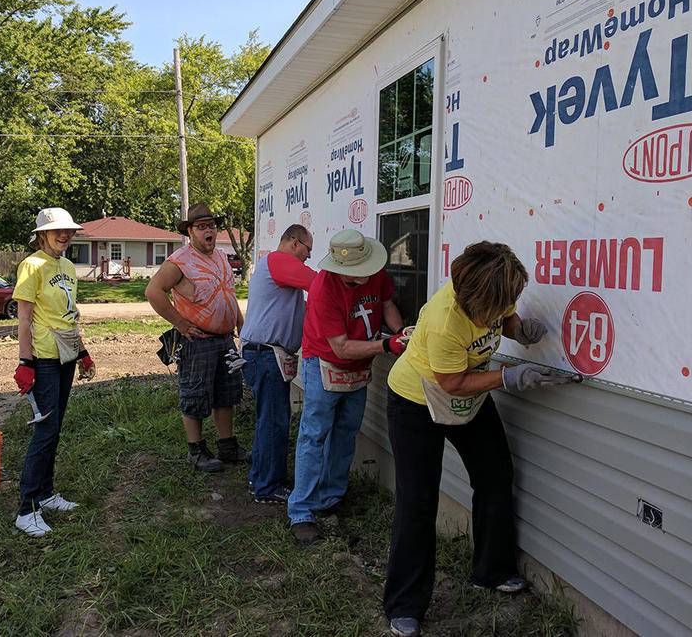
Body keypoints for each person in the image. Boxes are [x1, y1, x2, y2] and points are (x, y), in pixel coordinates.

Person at [382, 241, 571, 637]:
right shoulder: (443, 320)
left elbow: (505, 316)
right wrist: (507, 376)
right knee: (418, 500)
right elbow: (452, 382)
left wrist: (520, 329)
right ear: (477, 297)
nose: (509, 305)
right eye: (506, 301)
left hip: (468, 397)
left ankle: (491, 570)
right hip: (418, 401)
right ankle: (404, 604)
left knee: (494, 476)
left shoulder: (491, 290)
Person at [287, 229, 407, 545]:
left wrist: (400, 331)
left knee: (346, 431)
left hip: (358, 366)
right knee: (314, 434)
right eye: (349, 277)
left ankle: (331, 498)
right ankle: (301, 510)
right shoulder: (324, 289)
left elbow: (386, 303)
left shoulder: (376, 273)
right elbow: (340, 348)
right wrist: (387, 346)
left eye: (358, 275)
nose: (354, 281)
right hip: (325, 363)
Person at [145, 203, 248, 473]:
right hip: (197, 340)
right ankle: (197, 450)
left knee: (226, 393)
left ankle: (227, 445)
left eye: (211, 225)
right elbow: (153, 291)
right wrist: (179, 323)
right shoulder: (180, 261)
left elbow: (228, 295)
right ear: (190, 231)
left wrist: (240, 324)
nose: (208, 231)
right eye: (201, 227)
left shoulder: (222, 257)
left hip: (225, 339)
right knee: (195, 394)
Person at [13, 207, 96, 537]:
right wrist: (25, 362)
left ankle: (46, 495)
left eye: (69, 231)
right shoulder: (32, 265)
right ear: (43, 234)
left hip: (67, 355)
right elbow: (23, 319)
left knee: (55, 426)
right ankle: (26, 508)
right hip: (44, 358)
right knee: (45, 430)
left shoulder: (67, 267)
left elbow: (70, 315)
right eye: (57, 231)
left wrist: (84, 352)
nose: (65, 235)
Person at [238, 224, 317, 504]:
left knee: (268, 419)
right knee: (273, 421)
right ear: (295, 243)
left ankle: (260, 478)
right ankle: (267, 485)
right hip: (266, 354)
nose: (308, 256)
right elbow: (317, 283)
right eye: (308, 250)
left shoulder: (274, 266)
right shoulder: (279, 261)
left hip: (265, 354)